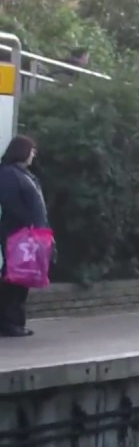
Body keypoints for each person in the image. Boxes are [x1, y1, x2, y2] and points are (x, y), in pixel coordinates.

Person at [0, 136, 49, 337]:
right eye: (31, 150)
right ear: (21, 151)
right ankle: (8, 322)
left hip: (29, 234)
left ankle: (15, 321)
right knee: (14, 277)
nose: (33, 154)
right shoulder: (10, 174)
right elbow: (11, 203)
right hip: (17, 233)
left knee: (22, 276)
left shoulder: (24, 174)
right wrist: (28, 224)